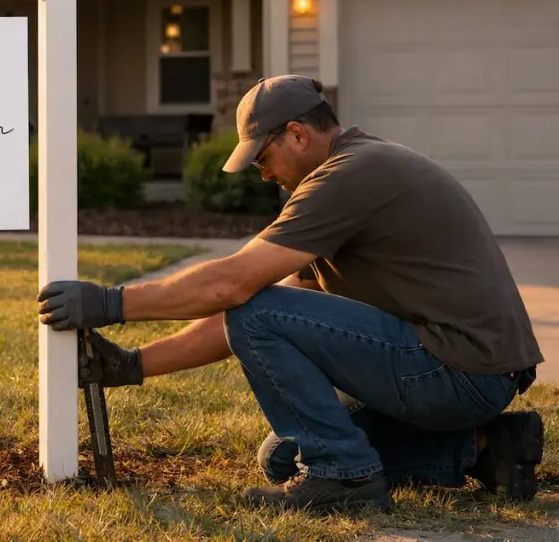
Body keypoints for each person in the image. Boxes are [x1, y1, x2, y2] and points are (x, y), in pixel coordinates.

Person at [37, 75, 545, 514]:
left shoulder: (348, 177)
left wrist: (109, 303)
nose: (263, 175)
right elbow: (250, 307)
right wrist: (132, 365)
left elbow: (235, 287)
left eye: (262, 158)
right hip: (470, 371)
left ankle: (346, 478)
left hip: (458, 368)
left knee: (262, 324)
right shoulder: (353, 173)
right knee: (280, 458)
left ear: (297, 134)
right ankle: (483, 448)